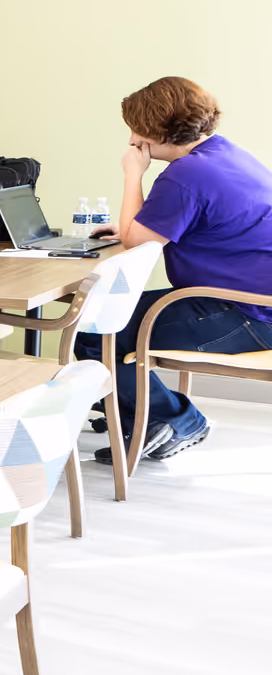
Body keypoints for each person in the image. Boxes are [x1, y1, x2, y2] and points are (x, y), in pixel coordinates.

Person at [77, 76, 272, 463]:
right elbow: (181, 222)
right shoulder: (225, 154)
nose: (132, 138)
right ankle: (149, 419)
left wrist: (134, 174)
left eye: (136, 128)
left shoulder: (185, 175)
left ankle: (173, 421)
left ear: (154, 130)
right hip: (250, 303)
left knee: (97, 329)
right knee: (103, 319)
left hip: (244, 312)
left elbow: (136, 241)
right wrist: (143, 225)